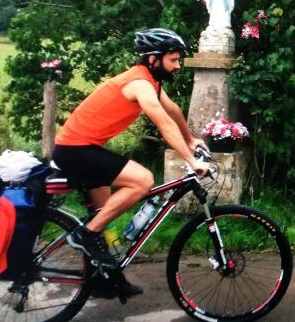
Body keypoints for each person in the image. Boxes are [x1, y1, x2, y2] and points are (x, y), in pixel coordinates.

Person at [52, 28, 209, 295]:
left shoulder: (150, 82)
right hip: (75, 150)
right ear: (153, 59)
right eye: (173, 59)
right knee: (143, 180)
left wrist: (191, 140)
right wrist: (191, 161)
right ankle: (83, 235)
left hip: (84, 148)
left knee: (104, 218)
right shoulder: (139, 84)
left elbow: (173, 111)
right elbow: (163, 123)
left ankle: (106, 280)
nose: (178, 65)